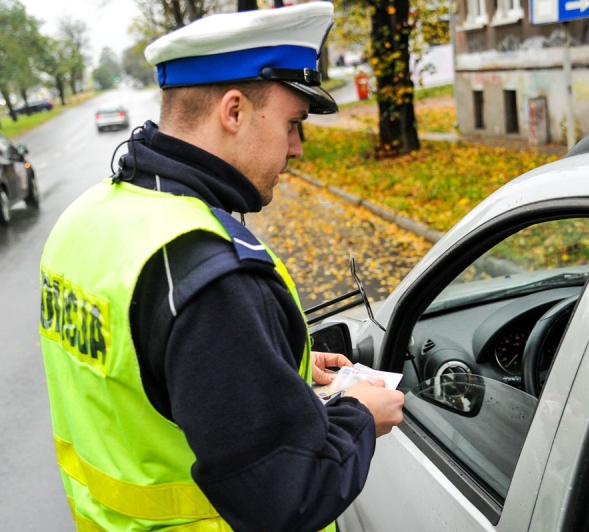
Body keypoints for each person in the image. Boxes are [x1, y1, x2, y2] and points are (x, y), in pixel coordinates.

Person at [38, 4, 405, 531]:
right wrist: (360, 417)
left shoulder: (85, 218)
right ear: (233, 112)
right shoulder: (211, 274)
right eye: (293, 124)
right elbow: (286, 496)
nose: (297, 149)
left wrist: (279, 367)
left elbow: (148, 382)